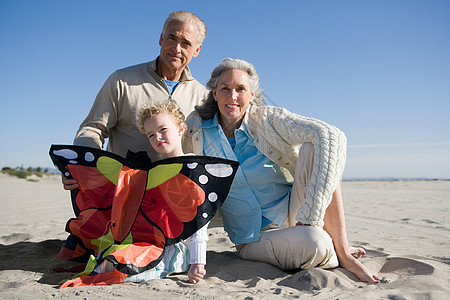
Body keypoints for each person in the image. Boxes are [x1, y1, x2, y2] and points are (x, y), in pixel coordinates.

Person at [184, 58, 382, 283]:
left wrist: (310, 215)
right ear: (215, 94)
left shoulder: (266, 120)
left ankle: (342, 251)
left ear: (251, 95)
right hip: (253, 238)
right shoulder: (196, 131)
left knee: (316, 148)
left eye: (241, 89)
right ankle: (330, 243)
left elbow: (331, 135)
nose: (233, 97)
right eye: (225, 89)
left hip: (294, 215)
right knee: (315, 242)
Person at [63, 11, 208, 190]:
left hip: (173, 198)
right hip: (121, 190)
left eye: (186, 43)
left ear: (197, 50)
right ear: (161, 39)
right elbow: (92, 129)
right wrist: (83, 165)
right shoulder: (121, 81)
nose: (176, 48)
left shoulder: (204, 97)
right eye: (172, 38)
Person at [94, 101, 208, 284]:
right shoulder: (155, 171)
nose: (158, 138)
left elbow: (200, 221)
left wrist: (197, 262)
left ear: (180, 129)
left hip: (178, 247)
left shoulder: (192, 169)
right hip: (152, 240)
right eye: (151, 135)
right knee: (111, 257)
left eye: (163, 130)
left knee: (120, 268)